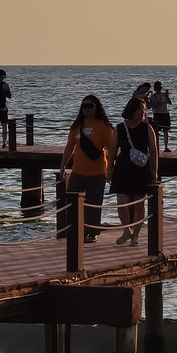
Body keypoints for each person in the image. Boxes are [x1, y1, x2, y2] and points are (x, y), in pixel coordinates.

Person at [59, 95, 116, 243]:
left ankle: (92, 232)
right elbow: (69, 147)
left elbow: (111, 149)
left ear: (96, 107)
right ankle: (75, 230)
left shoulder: (104, 126)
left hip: (97, 172)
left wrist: (111, 170)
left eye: (90, 106)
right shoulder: (77, 125)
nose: (86, 109)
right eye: (84, 106)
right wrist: (62, 166)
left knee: (94, 203)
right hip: (78, 171)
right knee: (72, 202)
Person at [109, 97, 158, 246]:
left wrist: (154, 171)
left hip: (140, 169)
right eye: (140, 110)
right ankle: (126, 231)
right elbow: (112, 150)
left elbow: (154, 150)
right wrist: (109, 168)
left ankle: (135, 235)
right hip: (123, 168)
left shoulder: (147, 128)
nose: (142, 113)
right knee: (122, 202)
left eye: (143, 110)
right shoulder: (119, 128)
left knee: (138, 203)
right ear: (132, 110)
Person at [148, 81, 173, 152]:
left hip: (165, 114)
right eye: (158, 88)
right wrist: (161, 98)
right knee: (156, 132)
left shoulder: (164, 95)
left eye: (160, 88)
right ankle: (156, 147)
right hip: (157, 114)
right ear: (155, 89)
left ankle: (166, 147)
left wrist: (167, 96)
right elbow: (156, 105)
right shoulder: (153, 97)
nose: (160, 89)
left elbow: (170, 103)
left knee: (166, 131)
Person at [0, 70, 10, 148]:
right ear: (1, 76)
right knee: (4, 126)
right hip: (3, 108)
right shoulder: (5, 85)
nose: (4, 78)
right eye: (4, 76)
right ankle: (4, 143)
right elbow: (9, 95)